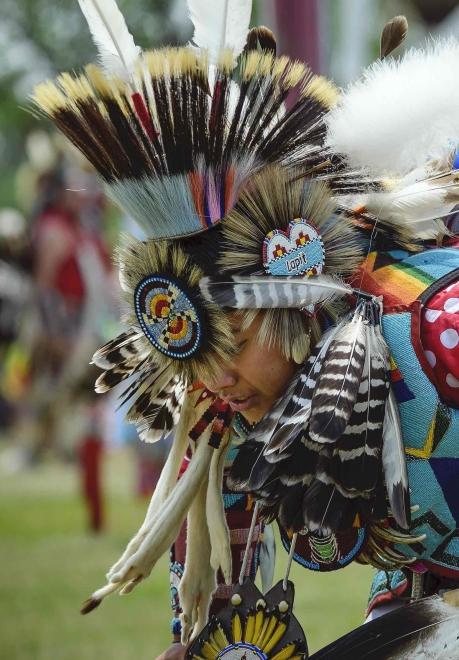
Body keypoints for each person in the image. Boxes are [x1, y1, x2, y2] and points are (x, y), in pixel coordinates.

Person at [33, 1, 459, 657]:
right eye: (192, 354)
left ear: (296, 304)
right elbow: (212, 603)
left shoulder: (435, 332)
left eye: (231, 337)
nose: (216, 377)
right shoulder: (226, 406)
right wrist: (202, 641)